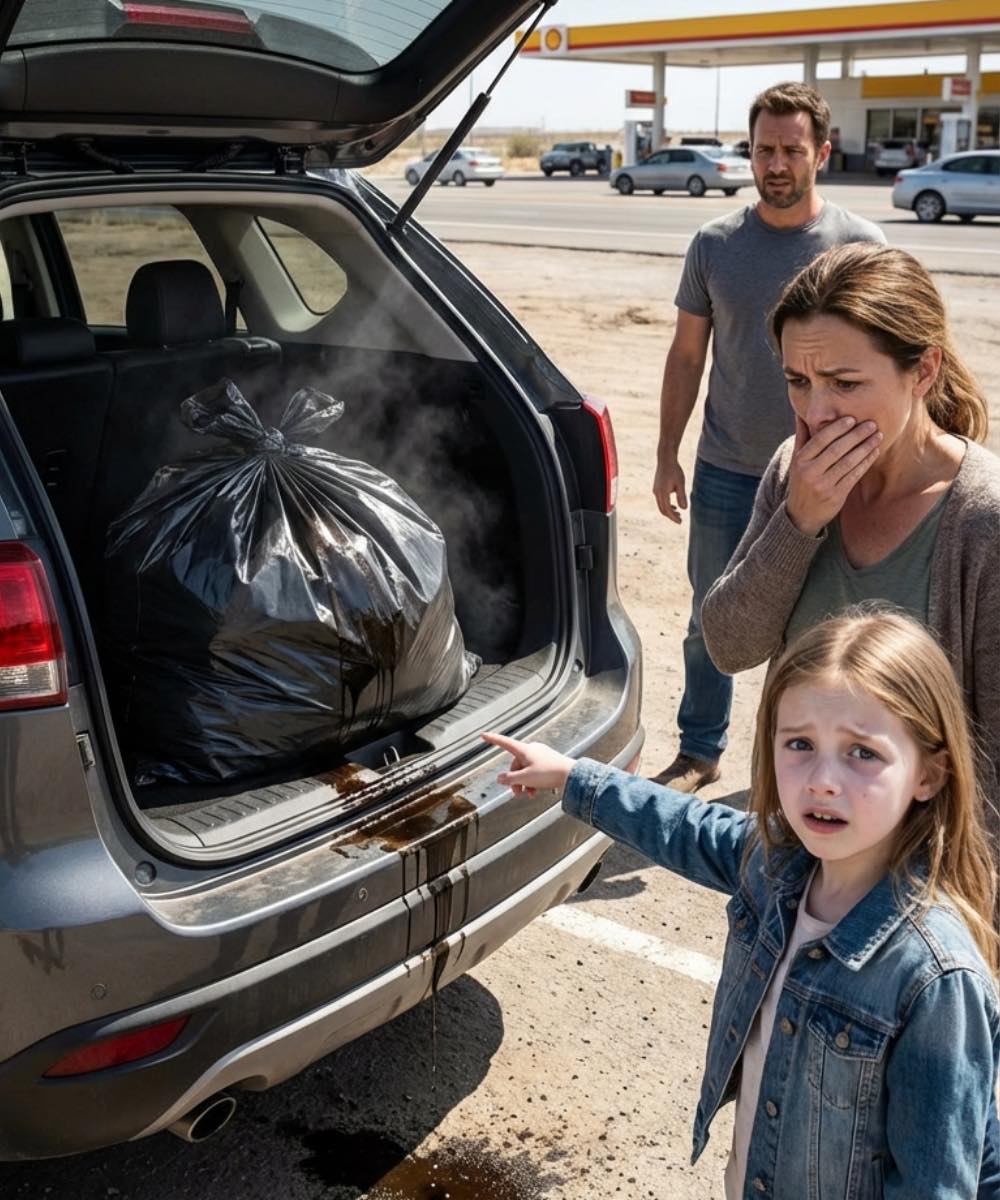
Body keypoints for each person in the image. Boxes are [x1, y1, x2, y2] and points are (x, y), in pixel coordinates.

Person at [484, 610, 1000, 1198]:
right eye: (800, 744)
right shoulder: (778, 863)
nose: (822, 780)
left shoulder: (935, 980)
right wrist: (574, 775)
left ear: (930, 775)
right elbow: (688, 826)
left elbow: (938, 1185)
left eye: (862, 753)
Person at [701, 241, 1000, 848]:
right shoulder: (793, 471)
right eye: (797, 380)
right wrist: (798, 522)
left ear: (924, 371)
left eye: (844, 383)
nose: (817, 410)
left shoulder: (982, 519)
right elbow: (730, 646)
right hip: (796, 854)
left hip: (924, 890)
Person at [652, 82, 885, 794]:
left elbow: (894, 367)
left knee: (824, 631)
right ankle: (699, 750)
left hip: (833, 476)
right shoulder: (715, 244)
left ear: (821, 151)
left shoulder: (860, 246)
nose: (776, 164)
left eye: (790, 150)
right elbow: (688, 355)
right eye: (763, 151)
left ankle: (810, 766)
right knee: (709, 620)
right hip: (727, 469)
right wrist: (666, 454)